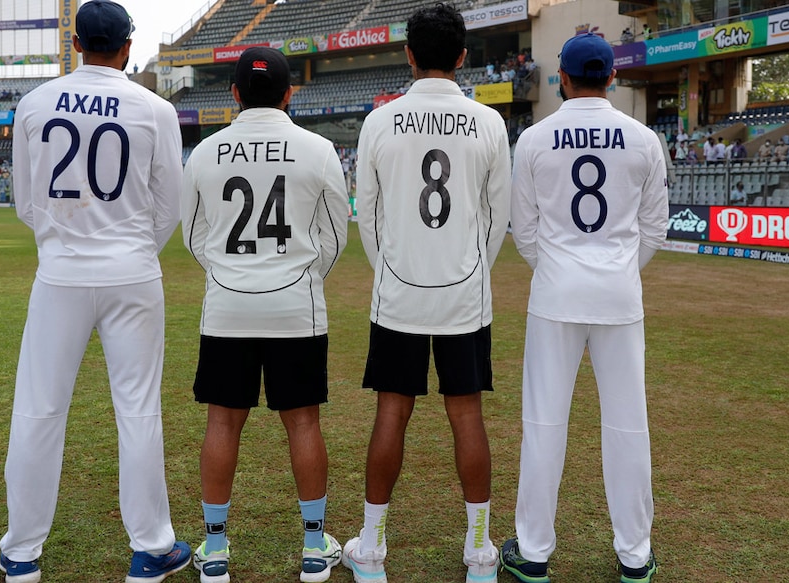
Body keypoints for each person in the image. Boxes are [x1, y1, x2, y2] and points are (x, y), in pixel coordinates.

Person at [0, 2, 192, 582]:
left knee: (38, 409)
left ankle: (22, 553)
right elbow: (168, 208)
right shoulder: (154, 108)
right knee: (137, 409)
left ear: (76, 43)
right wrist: (130, 250)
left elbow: (27, 204)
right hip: (133, 271)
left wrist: (65, 244)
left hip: (59, 273)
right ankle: (152, 547)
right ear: (127, 47)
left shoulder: (35, 103)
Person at [346, 4, 512, 583]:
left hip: (399, 293)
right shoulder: (489, 123)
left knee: (391, 411)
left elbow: (366, 217)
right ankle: (479, 552)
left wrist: (393, 270)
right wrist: (470, 271)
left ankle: (371, 549)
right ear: (463, 56)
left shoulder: (378, 122)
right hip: (465, 294)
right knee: (466, 414)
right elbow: (496, 220)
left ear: (409, 55)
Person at [181, 46, 350, 583]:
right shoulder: (319, 150)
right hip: (295, 306)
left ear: (233, 93)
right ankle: (313, 544)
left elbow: (195, 237)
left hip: (228, 305)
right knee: (303, 420)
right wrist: (297, 276)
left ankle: (215, 548)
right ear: (288, 93)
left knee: (222, 421)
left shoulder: (205, 153)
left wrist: (233, 276)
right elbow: (334, 237)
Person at [504, 32, 666, 583]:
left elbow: (523, 231)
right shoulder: (644, 138)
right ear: (612, 78)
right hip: (619, 295)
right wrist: (616, 270)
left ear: (563, 80)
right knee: (628, 425)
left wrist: (558, 269)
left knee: (544, 423)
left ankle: (534, 552)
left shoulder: (534, 139)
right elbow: (653, 231)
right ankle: (635, 555)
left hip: (555, 293)